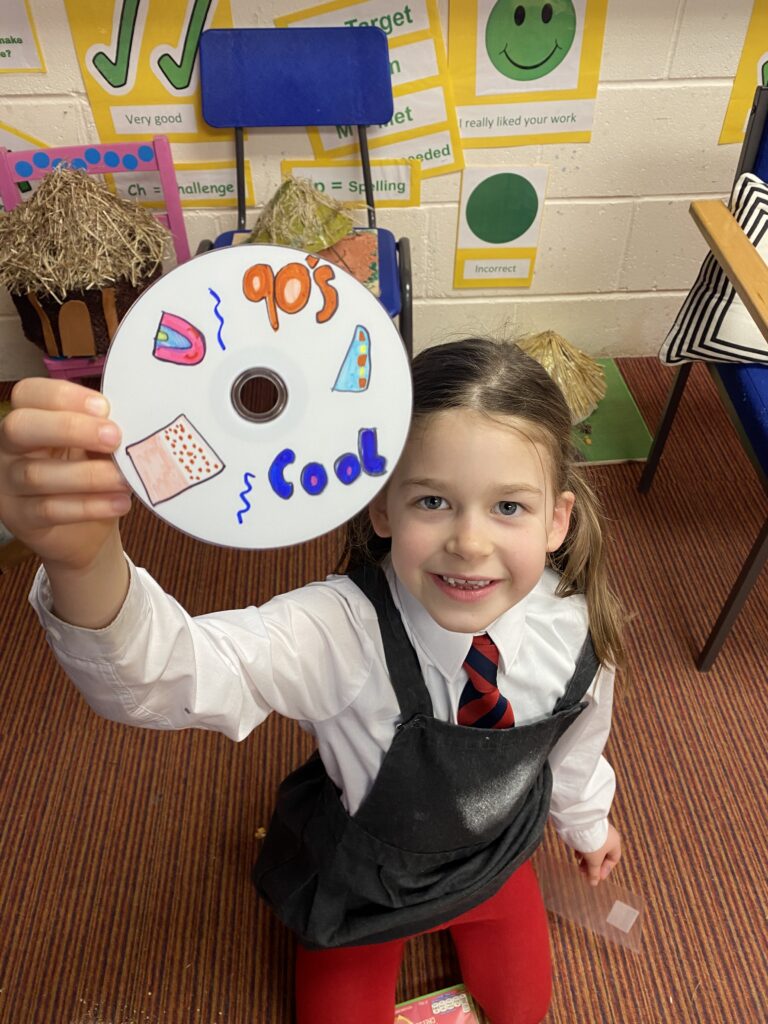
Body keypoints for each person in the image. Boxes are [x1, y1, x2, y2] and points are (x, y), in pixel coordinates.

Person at [0, 337, 624, 1024]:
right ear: (382, 508)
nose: (470, 543)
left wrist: (587, 822)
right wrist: (84, 562)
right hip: (363, 885)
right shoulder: (340, 632)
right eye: (433, 502)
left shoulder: (574, 626)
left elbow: (576, 739)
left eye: (509, 508)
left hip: (493, 860)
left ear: (558, 519)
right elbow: (167, 675)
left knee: (526, 1014)